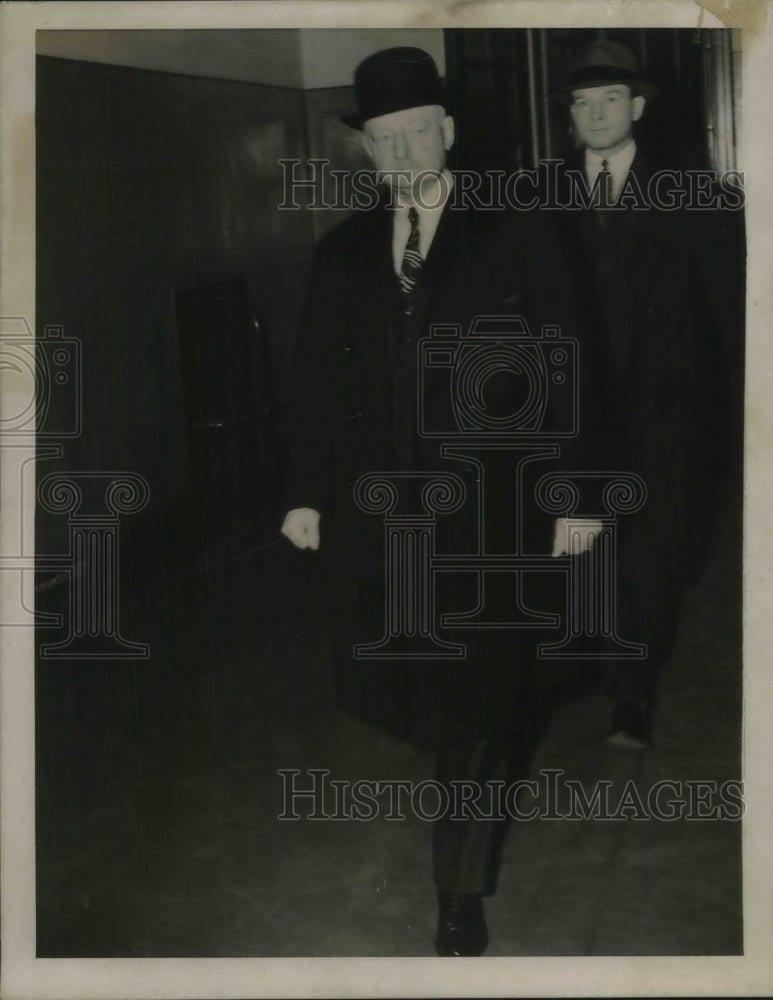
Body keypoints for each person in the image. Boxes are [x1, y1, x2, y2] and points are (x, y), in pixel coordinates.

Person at [280, 47, 599, 956]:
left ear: (449, 133)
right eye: (384, 139)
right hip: (385, 524)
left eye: (419, 131)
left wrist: (573, 494)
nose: (404, 153)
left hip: (495, 517)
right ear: (367, 149)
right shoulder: (341, 253)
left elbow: (570, 364)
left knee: (483, 704)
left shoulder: (519, 231)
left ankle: (458, 892)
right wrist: (304, 494)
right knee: (413, 694)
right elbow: (313, 384)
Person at [548, 39, 744, 748]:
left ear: (635, 106)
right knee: (582, 551)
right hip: (573, 421)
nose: (595, 115)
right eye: (581, 102)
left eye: (609, 100)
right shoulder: (539, 197)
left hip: (667, 417)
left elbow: (730, 315)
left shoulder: (695, 196)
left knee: (648, 559)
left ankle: (631, 695)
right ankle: (586, 661)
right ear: (569, 116)